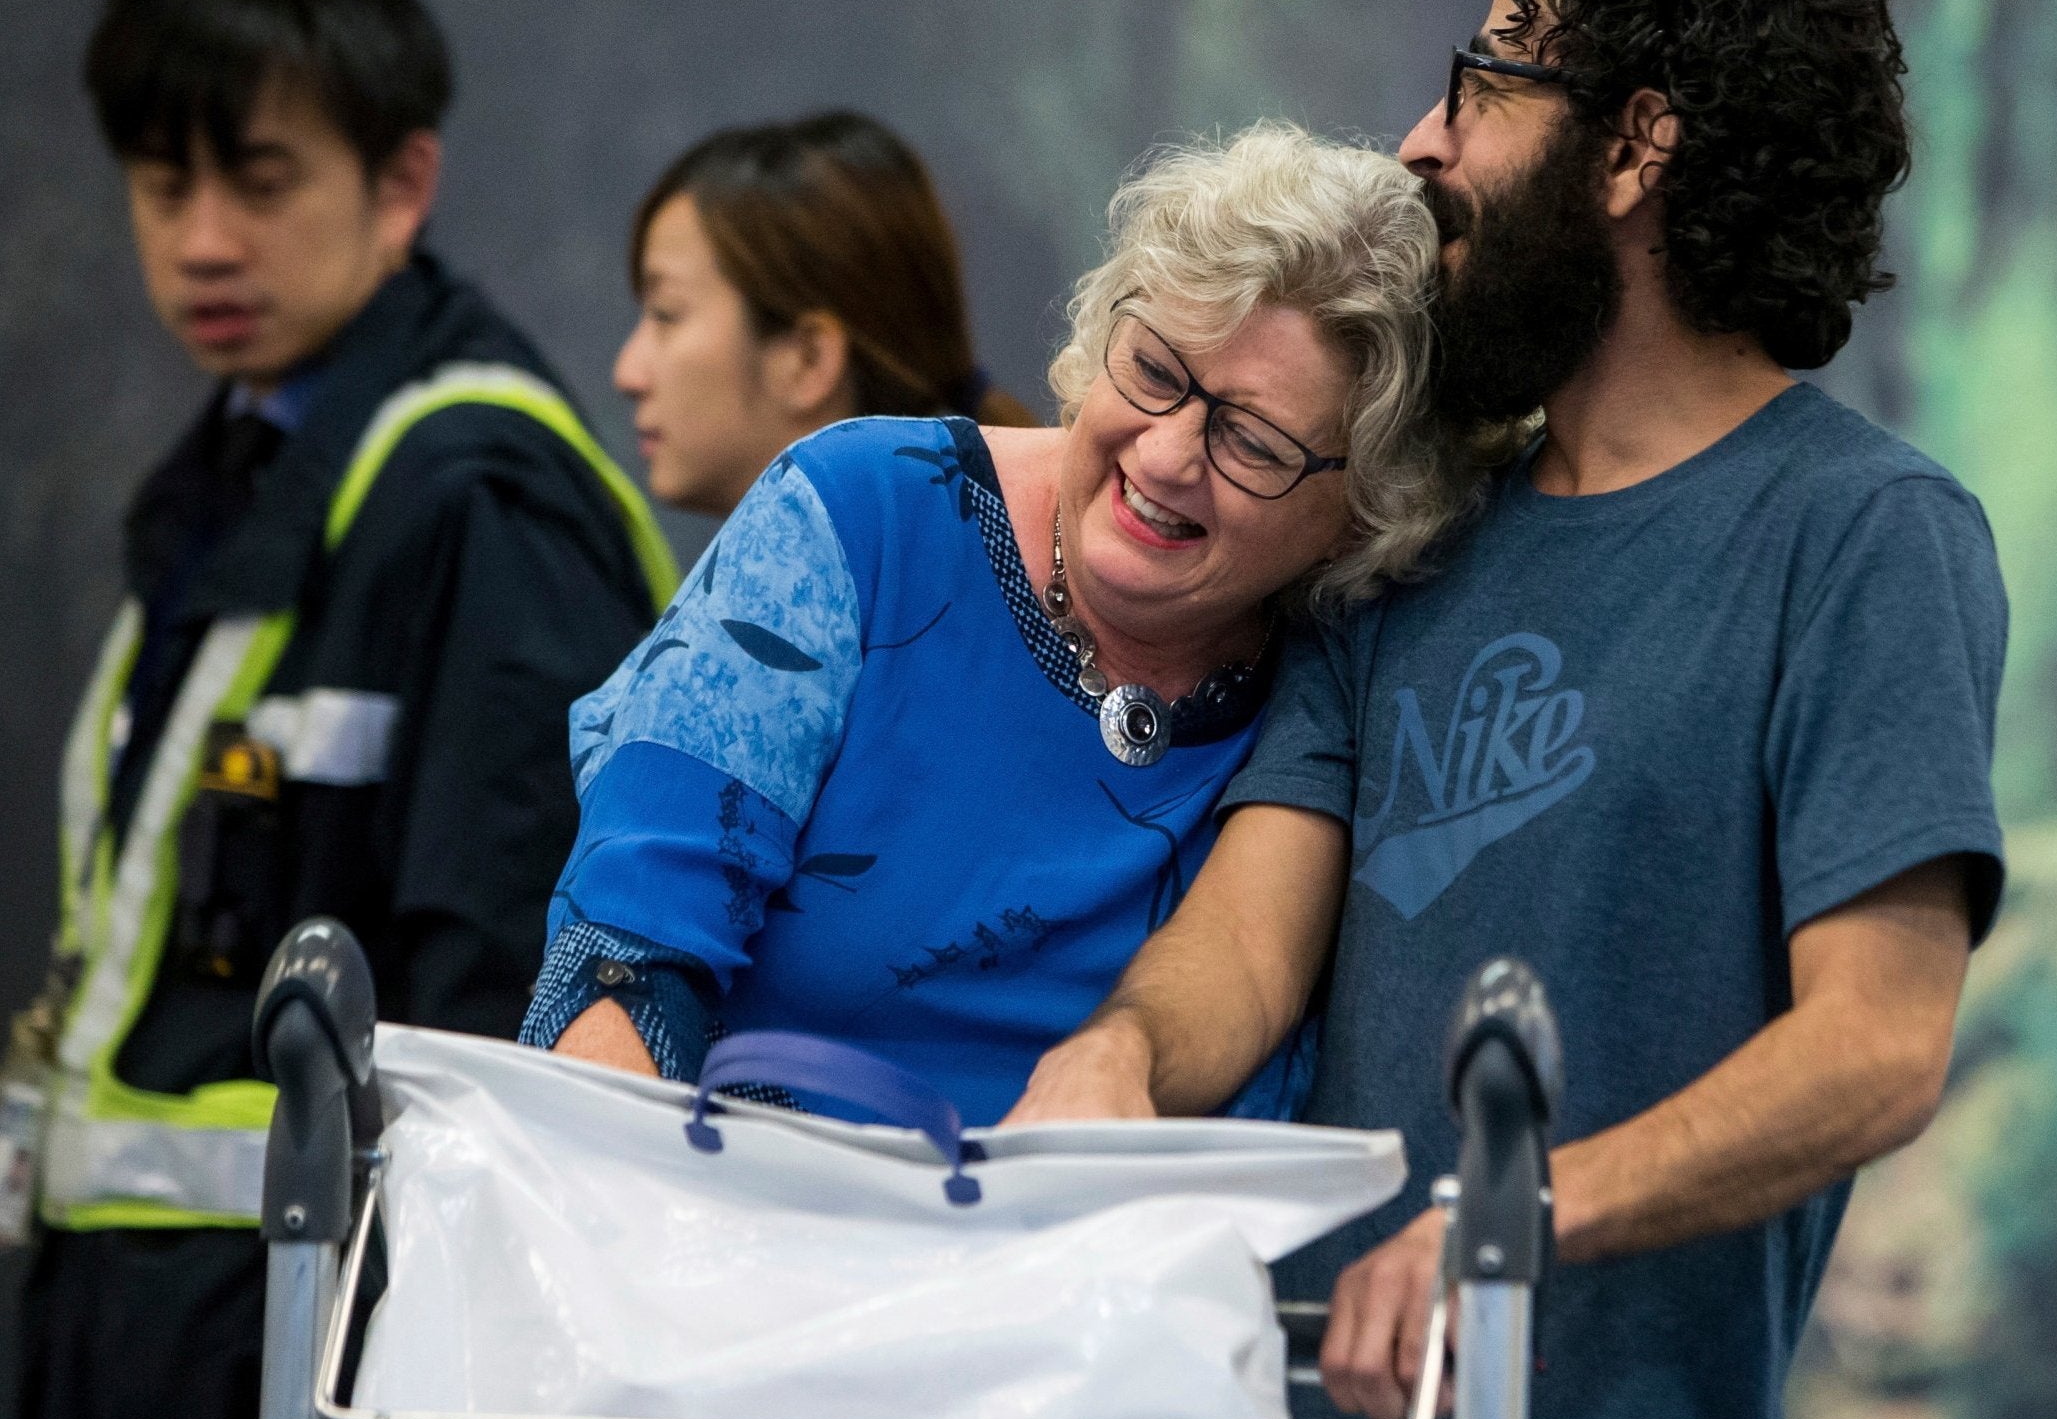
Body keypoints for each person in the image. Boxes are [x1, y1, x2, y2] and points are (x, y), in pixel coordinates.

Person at [1010, 0, 2009, 1419]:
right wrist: (1118, 1055)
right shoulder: (1409, 529)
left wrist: (1509, 1217)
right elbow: (1251, 949)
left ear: (1632, 146)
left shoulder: (1864, 535)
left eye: (1484, 80)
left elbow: (1876, 1046)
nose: (1422, 141)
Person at [14, 0, 676, 1419]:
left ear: (400, 186)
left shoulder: (475, 494)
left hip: (311, 1346)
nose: (202, 241)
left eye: (258, 179)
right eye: (163, 186)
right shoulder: (235, 474)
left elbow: (499, 992)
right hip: (148, 1338)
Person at [522, 122, 1500, 1123]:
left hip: (1096, 1267)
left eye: (1251, 440)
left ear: (1361, 512)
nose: (1165, 456)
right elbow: (622, 958)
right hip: (732, 1228)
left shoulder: (1335, 662)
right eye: (1155, 372)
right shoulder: (857, 517)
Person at [616, 111, 1035, 519]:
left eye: (666, 314)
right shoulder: (960, 556)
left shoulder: (905, 584)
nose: (627, 374)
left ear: (808, 358)